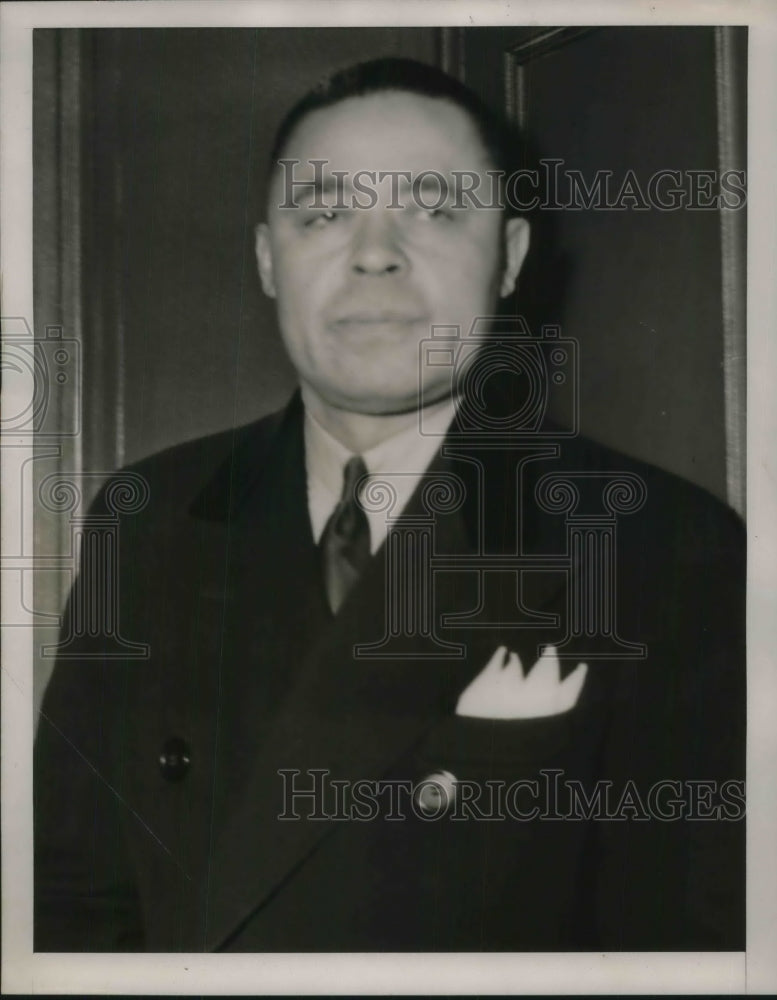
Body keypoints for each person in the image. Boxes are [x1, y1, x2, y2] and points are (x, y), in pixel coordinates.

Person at [34, 57, 745, 952]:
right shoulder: (147, 518)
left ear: (511, 259)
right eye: (323, 213)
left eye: (435, 209)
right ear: (265, 260)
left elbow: (699, 941)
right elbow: (64, 903)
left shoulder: (663, 545)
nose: (373, 251)